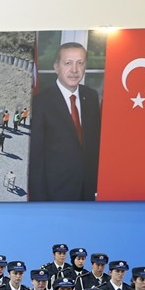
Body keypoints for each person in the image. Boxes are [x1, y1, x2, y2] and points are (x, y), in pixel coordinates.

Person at [28, 42, 101, 201]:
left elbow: (93, 145)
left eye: (80, 63)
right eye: (68, 63)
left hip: (87, 193)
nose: (74, 70)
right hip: (55, 195)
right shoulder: (40, 103)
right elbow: (36, 161)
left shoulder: (92, 97)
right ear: (56, 67)